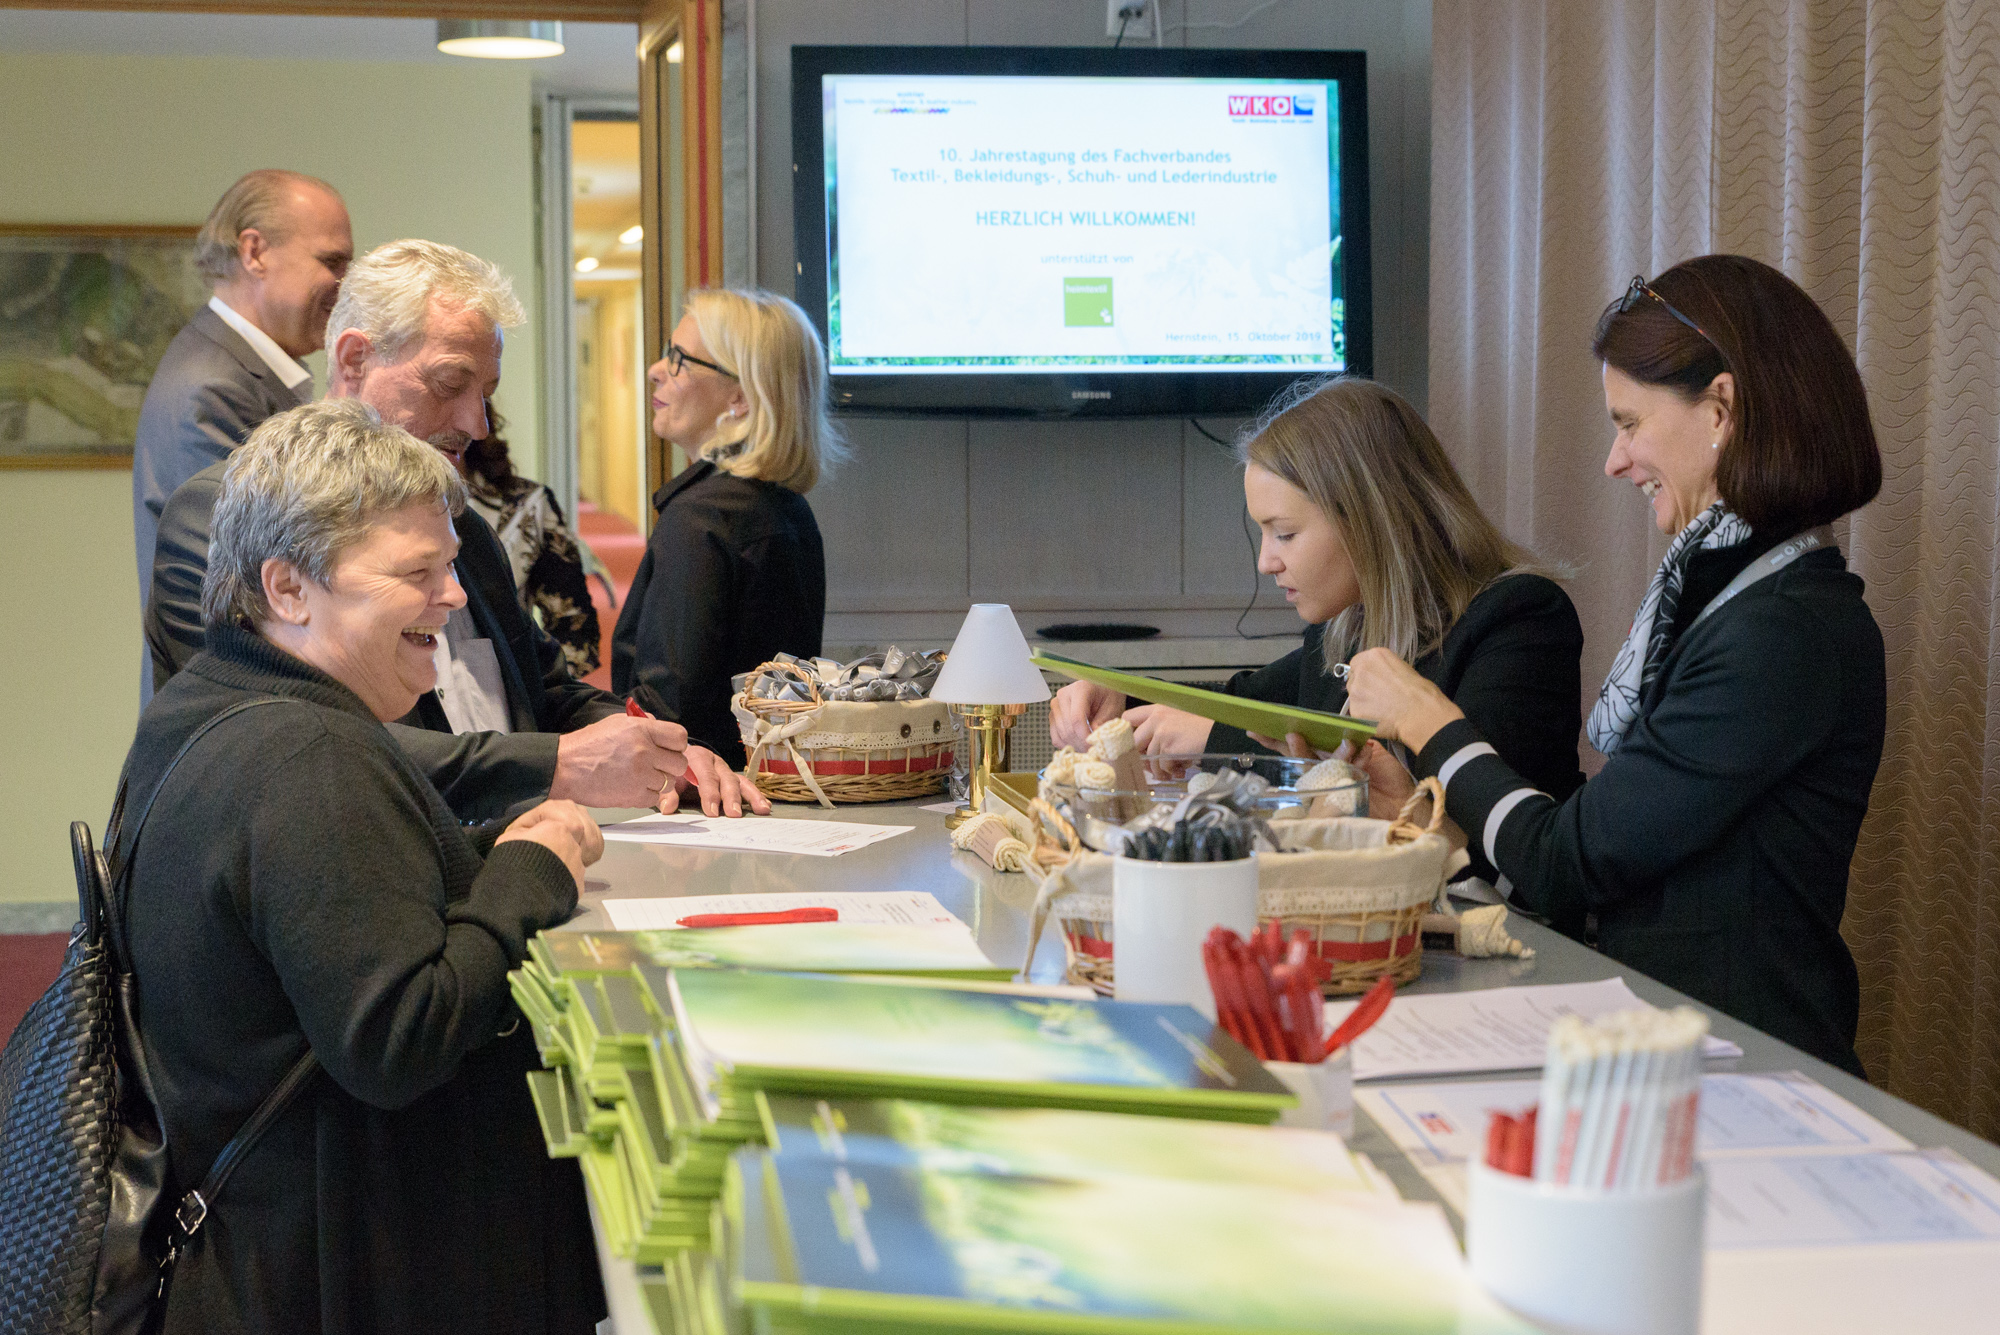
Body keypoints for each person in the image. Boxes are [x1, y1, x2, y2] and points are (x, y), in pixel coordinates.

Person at [119, 400, 604, 1332]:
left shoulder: (206, 702)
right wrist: (529, 873)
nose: (454, 596)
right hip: (343, 1273)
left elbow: (333, 897)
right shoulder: (311, 760)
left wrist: (493, 851)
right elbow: (398, 1035)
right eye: (418, 572)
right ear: (288, 588)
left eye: (450, 565)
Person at [1346, 256, 1885, 1075]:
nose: (1615, 460)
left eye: (1629, 423)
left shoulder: (1782, 632)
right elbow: (1614, 875)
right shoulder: (1734, 604)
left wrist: (1431, 725)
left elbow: (1570, 862)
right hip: (1681, 1048)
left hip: (1750, 1068)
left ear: (1721, 408)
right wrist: (1441, 829)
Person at [147, 240, 767, 821]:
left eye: (486, 393)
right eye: (449, 385)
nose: (476, 424)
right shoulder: (221, 513)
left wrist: (662, 749)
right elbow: (288, 740)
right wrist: (556, 766)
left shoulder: (463, 527)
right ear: (355, 359)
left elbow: (547, 689)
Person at [1049, 376, 1586, 878]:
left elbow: (1499, 845)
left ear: (1370, 519)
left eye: (1284, 533)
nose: (1266, 562)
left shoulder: (1518, 620)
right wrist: (1119, 701)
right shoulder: (1345, 626)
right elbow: (1241, 704)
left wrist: (1213, 736)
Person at [131, 169, 353, 703]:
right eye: (332, 262)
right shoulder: (214, 388)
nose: (345, 285)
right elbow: (254, 585)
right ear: (254, 253)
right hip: (241, 712)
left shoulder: (236, 371)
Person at [612, 289, 844, 768]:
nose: (656, 370)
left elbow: (666, 713)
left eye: (679, 360)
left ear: (739, 397)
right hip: (773, 778)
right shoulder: (789, 508)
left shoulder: (700, 517)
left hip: (697, 793)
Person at [461, 401, 603, 678]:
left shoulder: (528, 507)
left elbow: (575, 629)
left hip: (509, 688)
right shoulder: (382, 505)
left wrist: (535, 693)